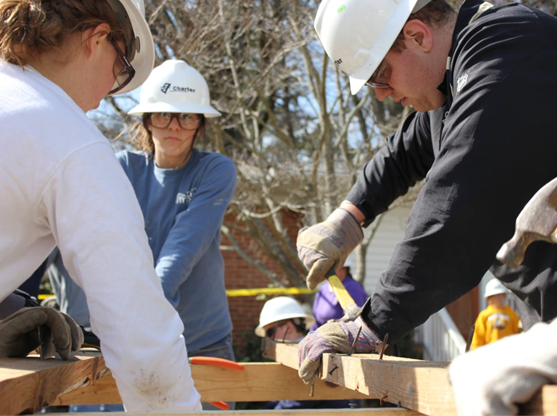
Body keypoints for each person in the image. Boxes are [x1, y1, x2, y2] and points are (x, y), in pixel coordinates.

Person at [296, 0, 557, 385]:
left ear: (417, 36)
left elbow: (458, 208)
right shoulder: (455, 77)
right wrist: (348, 216)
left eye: (380, 76)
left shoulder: (511, 52)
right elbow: (405, 151)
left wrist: (374, 324)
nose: (381, 94)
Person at [0, 0, 201, 412]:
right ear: (96, 39)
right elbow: (141, 337)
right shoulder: (67, 138)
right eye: (121, 70)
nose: (107, 93)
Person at [50, 59, 237, 410]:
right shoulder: (122, 168)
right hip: (122, 342)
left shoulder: (215, 170)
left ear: (200, 124)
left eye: (187, 116)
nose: (175, 127)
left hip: (199, 342)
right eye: (163, 115)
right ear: (147, 119)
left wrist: (136, 319)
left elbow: (183, 246)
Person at [448, 230, 557, 416]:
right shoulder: (484, 316)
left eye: (499, 296)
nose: (498, 299)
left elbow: (516, 330)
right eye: (494, 297)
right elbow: (479, 339)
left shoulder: (510, 314)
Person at [256, 297, 354, 410]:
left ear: (289, 327)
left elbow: (299, 401)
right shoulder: (292, 354)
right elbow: (284, 396)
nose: (269, 338)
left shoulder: (312, 354)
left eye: (270, 332)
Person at [309, 259, 368, 331]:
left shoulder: (353, 288)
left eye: (333, 268)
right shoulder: (323, 289)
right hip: (321, 336)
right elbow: (315, 319)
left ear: (345, 269)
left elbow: (355, 320)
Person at [469, 279, 520, 350]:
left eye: (501, 294)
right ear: (490, 297)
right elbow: (478, 336)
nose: (499, 297)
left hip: (509, 354)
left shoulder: (512, 314)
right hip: (489, 355)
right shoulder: (484, 315)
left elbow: (517, 336)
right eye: (496, 295)